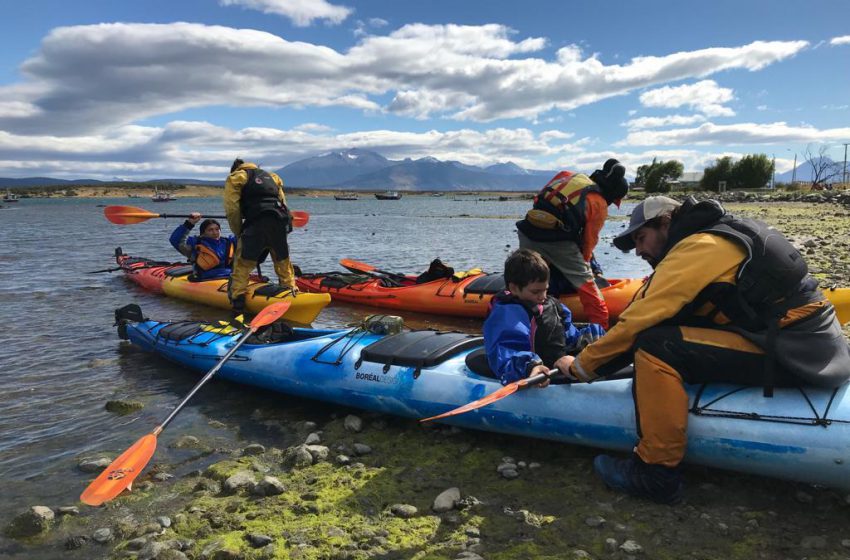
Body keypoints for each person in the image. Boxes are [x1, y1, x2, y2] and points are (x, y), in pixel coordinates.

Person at [561, 196, 850, 504]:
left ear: (666, 223)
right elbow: (649, 305)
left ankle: (655, 473)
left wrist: (580, 367)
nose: (640, 250)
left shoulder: (701, 246)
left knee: (655, 346)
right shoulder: (719, 235)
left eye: (641, 238)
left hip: (796, 354)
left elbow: (636, 321)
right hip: (815, 349)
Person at [516, 158, 629, 329]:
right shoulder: (599, 203)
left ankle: (521, 315)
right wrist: (588, 271)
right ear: (612, 194)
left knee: (527, 276)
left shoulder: (567, 175)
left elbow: (540, 199)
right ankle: (601, 329)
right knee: (588, 287)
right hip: (557, 240)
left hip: (527, 230)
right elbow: (589, 244)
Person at [484, 249, 606, 387]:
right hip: (533, 373)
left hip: (555, 368)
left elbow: (567, 335)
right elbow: (506, 350)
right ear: (514, 288)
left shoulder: (552, 305)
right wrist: (530, 367)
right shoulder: (507, 314)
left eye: (545, 289)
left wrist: (589, 338)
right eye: (536, 291)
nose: (542, 296)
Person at [225, 158, 298, 314]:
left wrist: (238, 231)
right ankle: (291, 293)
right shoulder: (273, 177)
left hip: (255, 224)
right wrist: (286, 227)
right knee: (283, 262)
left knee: (243, 265)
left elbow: (232, 208)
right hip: (279, 223)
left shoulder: (236, 177)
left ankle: (238, 304)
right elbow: (283, 203)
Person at [169, 213, 236, 280]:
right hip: (205, 278)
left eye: (217, 229)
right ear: (203, 233)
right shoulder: (195, 243)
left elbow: (243, 238)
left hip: (229, 275)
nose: (215, 232)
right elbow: (175, 240)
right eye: (210, 230)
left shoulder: (228, 242)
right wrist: (189, 224)